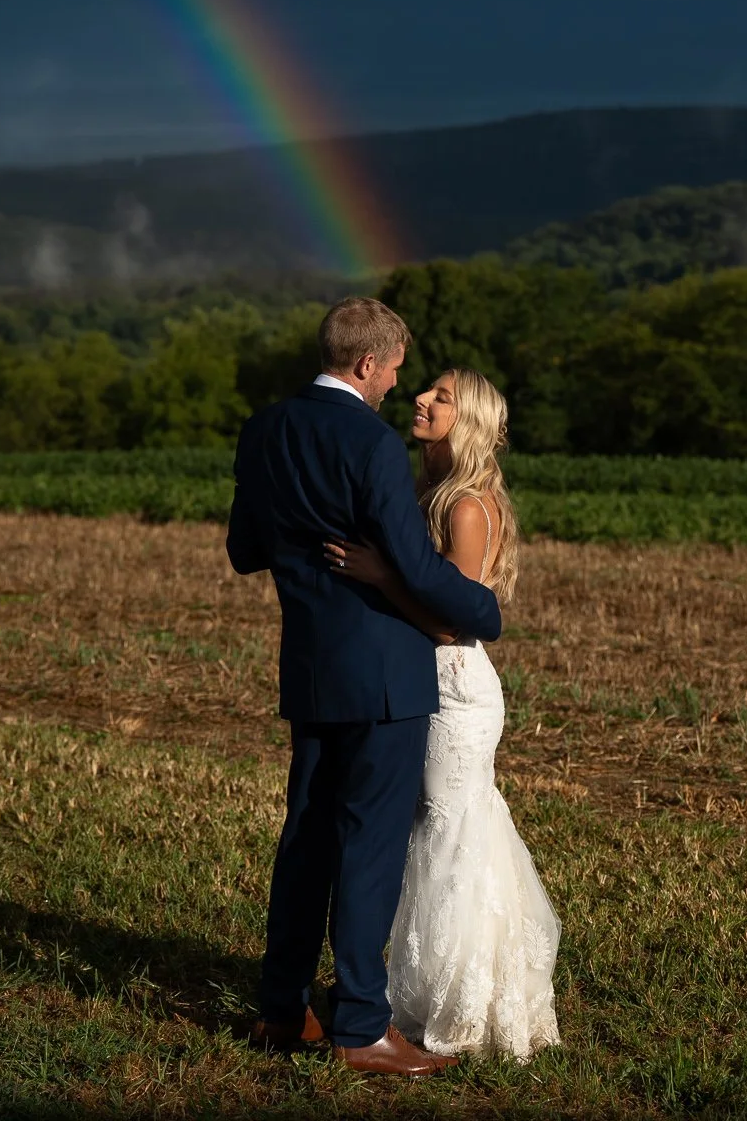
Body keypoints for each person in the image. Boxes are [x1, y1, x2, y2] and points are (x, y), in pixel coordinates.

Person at [226, 298, 502, 1078]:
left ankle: (282, 1010)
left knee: (304, 838)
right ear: (365, 365)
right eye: (393, 370)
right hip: (384, 673)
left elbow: (246, 549)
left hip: (310, 664)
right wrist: (484, 610)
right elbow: (414, 572)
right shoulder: (373, 445)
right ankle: (360, 1029)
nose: (396, 385)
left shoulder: (264, 430)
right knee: (369, 848)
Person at [326, 367, 560, 1059]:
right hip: (424, 682)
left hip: (454, 689)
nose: (421, 400)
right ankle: (420, 991)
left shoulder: (463, 505)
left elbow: (455, 623)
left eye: (441, 397)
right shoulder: (429, 490)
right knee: (435, 837)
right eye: (424, 389)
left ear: (470, 420)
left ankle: (463, 1003)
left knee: (450, 835)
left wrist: (379, 578)